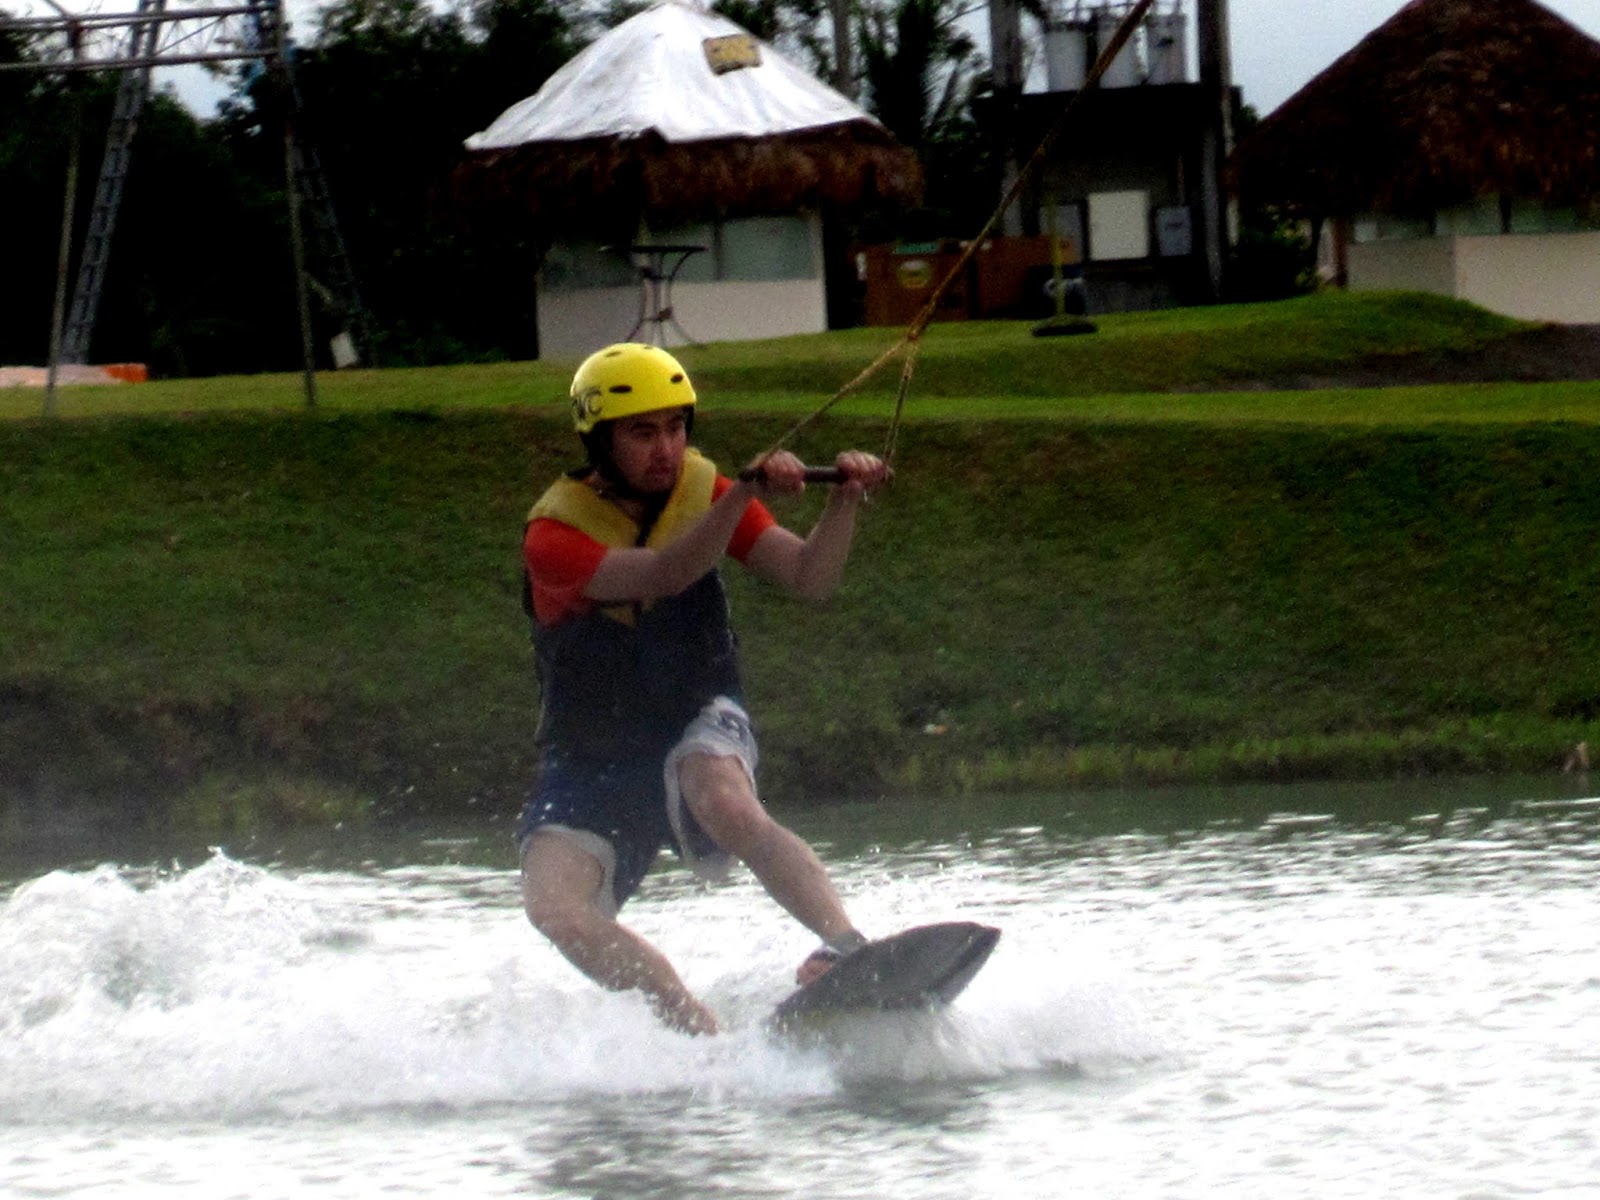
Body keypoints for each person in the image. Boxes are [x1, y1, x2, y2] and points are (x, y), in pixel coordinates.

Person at [516, 342, 890, 1035]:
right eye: (642, 432)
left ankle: (845, 946)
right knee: (555, 909)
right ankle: (696, 1032)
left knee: (717, 792)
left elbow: (811, 578)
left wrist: (843, 502)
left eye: (676, 427)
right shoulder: (553, 534)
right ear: (600, 441)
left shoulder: (705, 493)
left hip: (696, 714)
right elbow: (663, 574)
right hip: (593, 750)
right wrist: (745, 492)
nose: (665, 449)